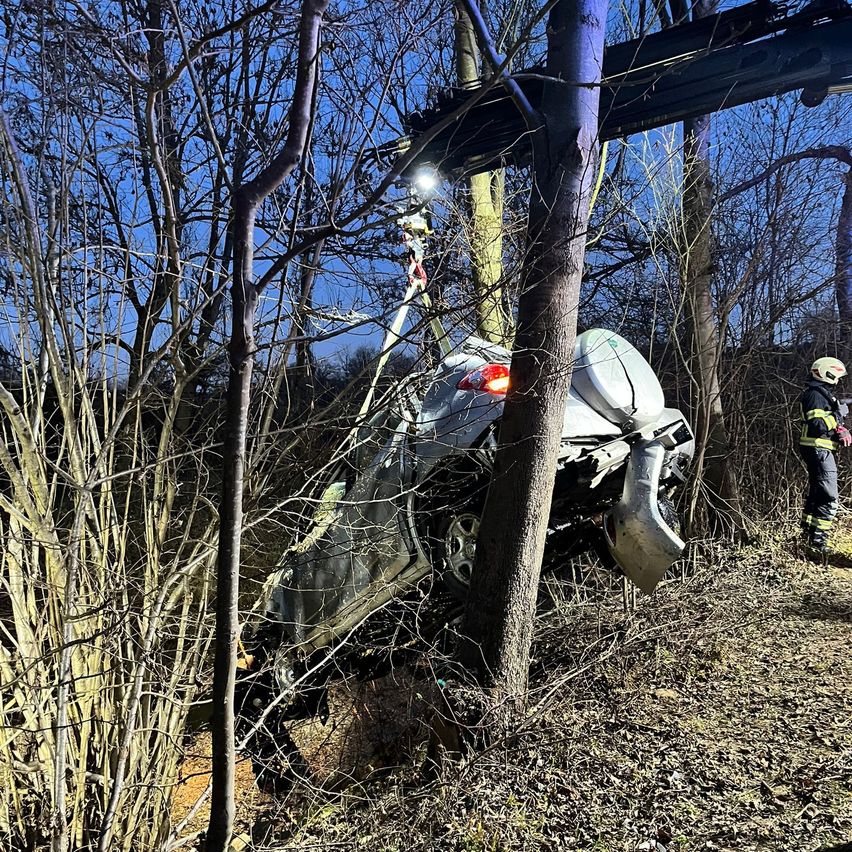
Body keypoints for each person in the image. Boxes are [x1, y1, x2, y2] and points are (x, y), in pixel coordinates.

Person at [798, 357, 851, 556]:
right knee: (829, 497)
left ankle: (808, 538)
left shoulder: (820, 394)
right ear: (828, 372)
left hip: (820, 450)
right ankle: (819, 543)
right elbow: (818, 424)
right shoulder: (814, 395)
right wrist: (838, 423)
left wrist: (838, 419)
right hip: (818, 450)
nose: (838, 379)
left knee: (817, 495)